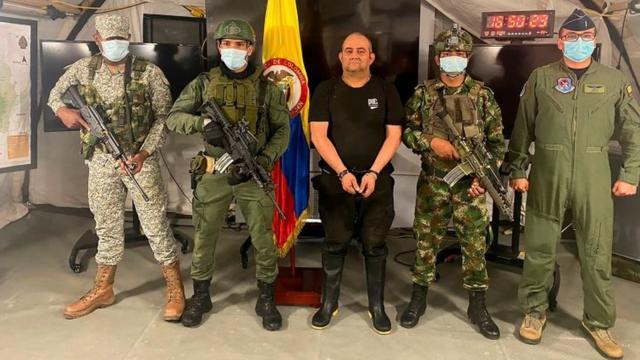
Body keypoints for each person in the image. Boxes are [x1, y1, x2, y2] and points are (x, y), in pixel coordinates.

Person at [508, 9, 640, 359]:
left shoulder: (613, 81)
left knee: (596, 253)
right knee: (539, 247)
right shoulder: (541, 78)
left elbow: (633, 131)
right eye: (571, 38)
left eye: (585, 39)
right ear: (560, 41)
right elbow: (523, 127)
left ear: (594, 41)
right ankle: (534, 312)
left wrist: (630, 175)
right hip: (547, 171)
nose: (579, 44)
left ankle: (599, 322)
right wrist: (517, 168)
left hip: (594, 174)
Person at [47, 14, 184, 321]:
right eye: (110, 41)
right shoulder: (84, 69)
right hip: (101, 161)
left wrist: (145, 153)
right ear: (98, 40)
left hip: (138, 161)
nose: (116, 46)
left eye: (122, 41)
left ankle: (176, 290)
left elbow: (165, 118)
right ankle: (103, 289)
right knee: (107, 227)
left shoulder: (150, 73)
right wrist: (62, 112)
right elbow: (55, 95)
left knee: (155, 225)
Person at [165, 19, 290, 331]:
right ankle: (202, 295)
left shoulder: (267, 88)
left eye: (239, 44)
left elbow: (283, 131)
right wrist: (203, 125)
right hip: (214, 172)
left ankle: (265, 296)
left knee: (263, 237)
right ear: (218, 47)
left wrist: (263, 158)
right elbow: (173, 118)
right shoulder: (203, 83)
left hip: (253, 172)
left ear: (250, 48)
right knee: (205, 235)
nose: (232, 50)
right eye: (226, 44)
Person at [400, 25, 505, 339]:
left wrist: (482, 179)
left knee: (474, 246)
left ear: (467, 57)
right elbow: (406, 132)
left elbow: (497, 145)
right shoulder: (423, 94)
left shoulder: (483, 96)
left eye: (459, 54)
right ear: (438, 59)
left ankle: (477, 305)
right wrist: (431, 143)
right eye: (447, 54)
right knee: (425, 242)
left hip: (469, 186)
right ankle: (418, 298)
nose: (453, 59)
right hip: (433, 183)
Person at [309, 32, 404, 335]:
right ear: (340, 56)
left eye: (361, 51)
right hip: (336, 180)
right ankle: (329, 303)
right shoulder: (326, 90)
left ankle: (376, 307)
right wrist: (342, 173)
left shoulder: (386, 90)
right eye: (348, 50)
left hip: (377, 180)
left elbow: (394, 137)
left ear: (371, 58)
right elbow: (318, 136)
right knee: (335, 243)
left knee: (375, 246)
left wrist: (374, 173)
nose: (354, 55)